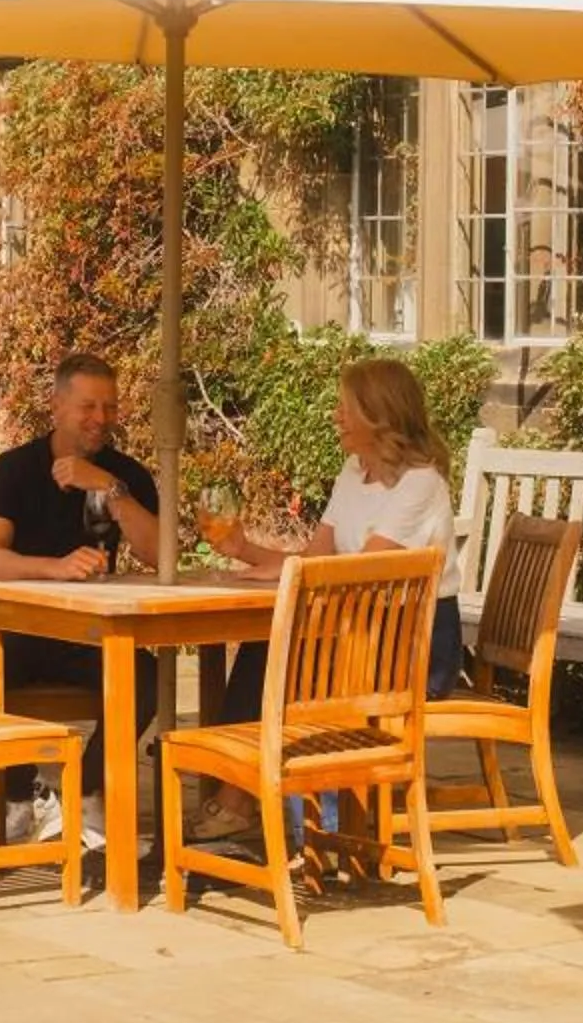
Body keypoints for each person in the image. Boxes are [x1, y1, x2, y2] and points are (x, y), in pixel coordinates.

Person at [193, 356, 464, 839]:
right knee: (262, 647)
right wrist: (246, 551)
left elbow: (360, 571)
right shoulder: (353, 471)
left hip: (412, 643)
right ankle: (241, 792)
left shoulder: (420, 483)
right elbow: (318, 556)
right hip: (355, 626)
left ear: (378, 414)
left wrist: (290, 580)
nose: (336, 416)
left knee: (280, 655)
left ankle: (242, 796)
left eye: (345, 408)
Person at [0, 353, 162, 848]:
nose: (100, 419)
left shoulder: (127, 476)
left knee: (145, 677)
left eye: (110, 407)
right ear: (56, 406)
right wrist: (54, 567)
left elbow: (159, 554)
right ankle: (27, 792)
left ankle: (88, 787)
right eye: (87, 407)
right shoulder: (14, 470)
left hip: (86, 637)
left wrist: (108, 487)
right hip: (12, 632)